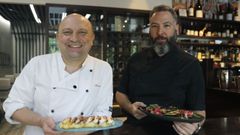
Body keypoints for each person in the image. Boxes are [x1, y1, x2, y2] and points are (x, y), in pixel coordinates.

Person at [3, 13, 113, 135]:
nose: (75, 38)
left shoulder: (103, 69)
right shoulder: (37, 64)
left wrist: (74, 132)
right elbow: (13, 106)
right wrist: (40, 121)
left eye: (82, 32)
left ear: (92, 38)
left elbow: (103, 114)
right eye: (67, 32)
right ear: (57, 37)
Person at [115, 5, 205, 135]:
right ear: (149, 29)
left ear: (176, 29)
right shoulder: (135, 60)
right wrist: (130, 107)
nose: (160, 32)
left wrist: (195, 126)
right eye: (154, 26)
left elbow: (199, 112)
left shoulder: (191, 64)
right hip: (135, 129)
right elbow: (120, 94)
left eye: (166, 25)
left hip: (173, 131)